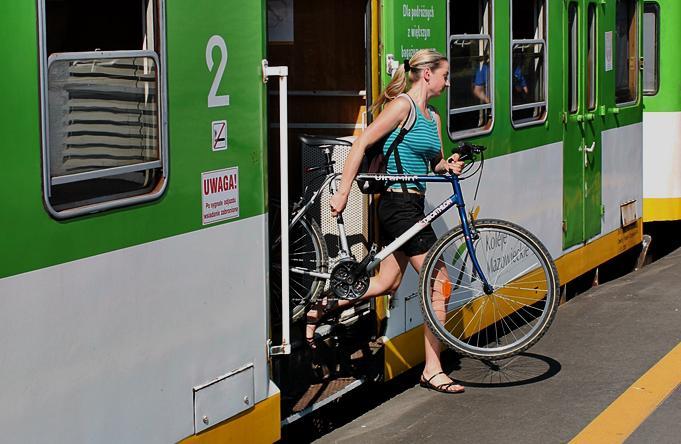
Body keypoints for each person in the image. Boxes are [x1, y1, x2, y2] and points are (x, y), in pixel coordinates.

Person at [306, 49, 466, 394]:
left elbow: (434, 163)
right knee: (441, 284)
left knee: (384, 283)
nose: (448, 81)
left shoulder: (432, 117)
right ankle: (433, 369)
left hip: (415, 203)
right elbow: (362, 141)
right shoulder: (403, 107)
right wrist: (344, 191)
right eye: (445, 74)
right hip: (397, 204)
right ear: (427, 75)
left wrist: (448, 165)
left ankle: (318, 309)